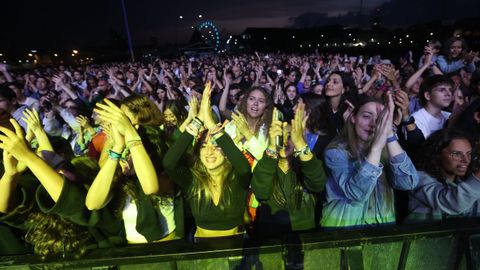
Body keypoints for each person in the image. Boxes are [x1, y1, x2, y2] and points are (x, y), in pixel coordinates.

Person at [86, 94, 180, 244]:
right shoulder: (122, 160)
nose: (119, 123)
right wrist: (115, 146)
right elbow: (93, 203)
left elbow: (150, 187)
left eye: (124, 119)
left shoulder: (155, 142)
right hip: (132, 243)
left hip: (165, 241)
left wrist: (130, 134)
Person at [163, 83, 251, 239]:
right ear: (198, 152)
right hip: (203, 250)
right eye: (203, 146)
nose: (209, 151)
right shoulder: (193, 180)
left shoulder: (236, 177)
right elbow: (169, 163)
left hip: (237, 249)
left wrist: (212, 126)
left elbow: (245, 168)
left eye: (216, 146)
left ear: (226, 151)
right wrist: (197, 121)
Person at [321, 93, 419, 228]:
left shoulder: (389, 149)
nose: (374, 124)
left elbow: (408, 183)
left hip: (382, 229)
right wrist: (377, 147)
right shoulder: (336, 152)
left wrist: (389, 133)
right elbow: (356, 193)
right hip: (344, 229)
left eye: (380, 119)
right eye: (366, 116)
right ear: (353, 118)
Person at [252, 104, 327, 236]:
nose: (285, 141)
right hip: (272, 241)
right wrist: (271, 149)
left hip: (303, 239)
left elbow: (318, 184)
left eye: (290, 136)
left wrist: (301, 143)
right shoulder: (266, 165)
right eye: (281, 136)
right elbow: (261, 193)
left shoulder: (307, 165)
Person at [408, 129, 480, 222]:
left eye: (468, 154)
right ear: (437, 154)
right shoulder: (418, 179)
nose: (465, 160)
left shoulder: (464, 180)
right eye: (457, 154)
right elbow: (452, 203)